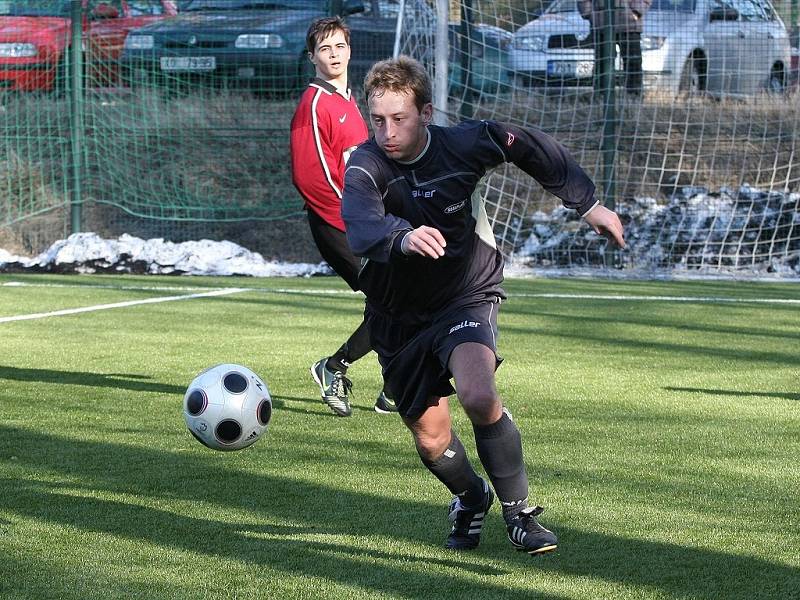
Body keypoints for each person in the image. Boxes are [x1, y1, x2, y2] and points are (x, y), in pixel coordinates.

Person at [341, 56, 625, 555]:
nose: (387, 131)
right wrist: (400, 238)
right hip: (396, 315)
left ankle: (520, 516)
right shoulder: (365, 165)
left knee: (478, 393)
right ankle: (472, 498)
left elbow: (526, 144)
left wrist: (586, 203)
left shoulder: (463, 144)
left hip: (465, 294)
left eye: (399, 119)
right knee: (432, 440)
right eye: (378, 119)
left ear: (426, 112)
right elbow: (360, 225)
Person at [289, 17, 396, 417]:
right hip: (338, 225)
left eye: (339, 46)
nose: (333, 55)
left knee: (394, 298)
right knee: (392, 298)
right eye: (324, 48)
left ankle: (388, 382)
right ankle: (344, 370)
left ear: (350, 51)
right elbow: (310, 177)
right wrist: (357, 221)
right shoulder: (314, 103)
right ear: (312, 56)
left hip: (365, 222)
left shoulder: (349, 100)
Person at [579, 0, 652, 96]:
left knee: (633, 61)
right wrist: (588, 13)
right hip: (602, 23)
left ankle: (634, 96)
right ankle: (601, 95)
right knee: (602, 62)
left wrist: (636, 11)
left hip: (629, 24)